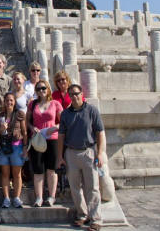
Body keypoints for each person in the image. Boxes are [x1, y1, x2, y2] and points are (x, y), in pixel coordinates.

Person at [57, 84, 106, 231]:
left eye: (76, 94)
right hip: (71, 153)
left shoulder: (92, 111)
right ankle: (82, 214)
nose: (74, 97)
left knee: (92, 187)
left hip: (88, 152)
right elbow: (61, 136)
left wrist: (100, 153)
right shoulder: (65, 114)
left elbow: (100, 133)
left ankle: (96, 218)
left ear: (81, 94)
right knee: (75, 187)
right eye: (71, 95)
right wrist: (60, 156)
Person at [27, 79, 63, 207]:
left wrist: (56, 127)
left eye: (43, 88)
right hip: (37, 139)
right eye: (38, 89)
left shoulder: (55, 104)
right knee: (38, 170)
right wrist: (32, 128)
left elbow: (64, 121)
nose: (41, 91)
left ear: (48, 89)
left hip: (52, 138)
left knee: (51, 169)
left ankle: (52, 196)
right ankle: (39, 197)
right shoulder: (32, 104)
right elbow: (28, 121)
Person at [0, 92, 27, 208]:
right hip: (4, 146)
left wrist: (25, 146)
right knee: (5, 174)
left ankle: (17, 197)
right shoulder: (0, 116)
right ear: (4, 102)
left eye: (11, 100)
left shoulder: (19, 114)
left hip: (17, 145)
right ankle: (6, 198)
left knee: (17, 174)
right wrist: (1, 129)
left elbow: (24, 131)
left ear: (14, 102)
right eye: (7, 100)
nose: (9, 102)